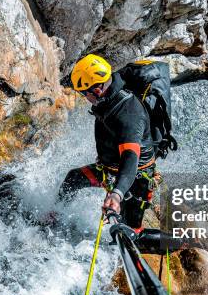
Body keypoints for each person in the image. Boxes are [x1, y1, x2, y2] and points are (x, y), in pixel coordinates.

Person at [59, 54, 184, 254]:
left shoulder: (129, 114)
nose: (85, 98)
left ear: (98, 89)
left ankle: (180, 242)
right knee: (72, 179)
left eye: (85, 94)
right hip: (108, 170)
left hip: (135, 179)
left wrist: (117, 194)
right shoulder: (110, 92)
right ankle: (54, 217)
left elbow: (130, 159)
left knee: (129, 236)